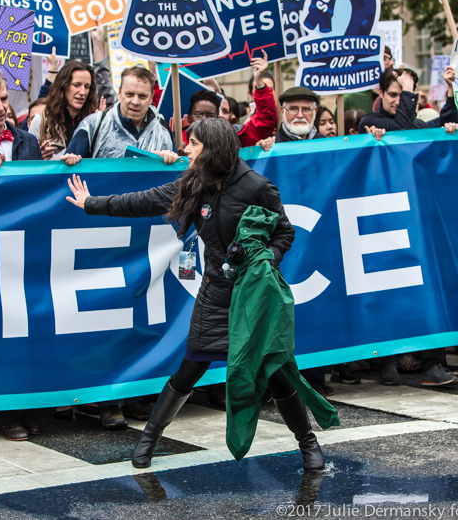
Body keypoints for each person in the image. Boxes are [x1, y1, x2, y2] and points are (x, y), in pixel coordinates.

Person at [65, 118, 334, 471]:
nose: (186, 149)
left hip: (253, 296)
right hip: (214, 294)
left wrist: (265, 256)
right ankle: (148, 441)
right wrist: (92, 203)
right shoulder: (194, 184)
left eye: (193, 143)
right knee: (189, 369)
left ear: (213, 148)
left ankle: (308, 443)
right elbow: (144, 201)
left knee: (276, 371)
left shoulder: (257, 186)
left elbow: (284, 232)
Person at [65, 66, 176, 159]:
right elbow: (67, 173)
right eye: (129, 94)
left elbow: (176, 180)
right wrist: (71, 160)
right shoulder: (93, 125)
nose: (135, 102)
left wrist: (172, 160)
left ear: (151, 98)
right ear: (119, 93)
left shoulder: (163, 130)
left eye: (142, 96)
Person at [358, 67, 458, 134]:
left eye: (403, 96)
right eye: (392, 95)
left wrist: (451, 88)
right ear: (381, 92)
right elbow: (402, 129)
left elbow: (441, 127)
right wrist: (407, 89)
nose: (398, 102)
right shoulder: (368, 122)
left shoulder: (418, 124)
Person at [29, 61, 98, 159]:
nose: (82, 92)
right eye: (76, 85)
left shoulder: (94, 122)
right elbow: (27, 165)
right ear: (63, 86)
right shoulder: (41, 121)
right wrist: (39, 157)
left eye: (87, 87)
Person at [219, 54, 277, 147]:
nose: (220, 115)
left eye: (225, 111)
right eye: (217, 111)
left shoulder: (240, 135)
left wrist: (259, 81)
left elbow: (266, 118)